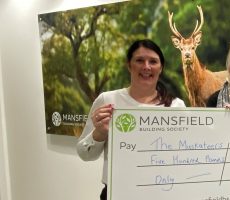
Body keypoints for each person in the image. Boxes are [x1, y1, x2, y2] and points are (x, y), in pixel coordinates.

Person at [76, 39, 186, 200]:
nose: (146, 67)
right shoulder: (107, 100)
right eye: (139, 60)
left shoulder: (176, 106)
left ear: (161, 68)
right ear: (129, 65)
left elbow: (185, 154)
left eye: (153, 61)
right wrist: (98, 134)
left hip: (162, 194)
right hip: (117, 193)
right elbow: (84, 154)